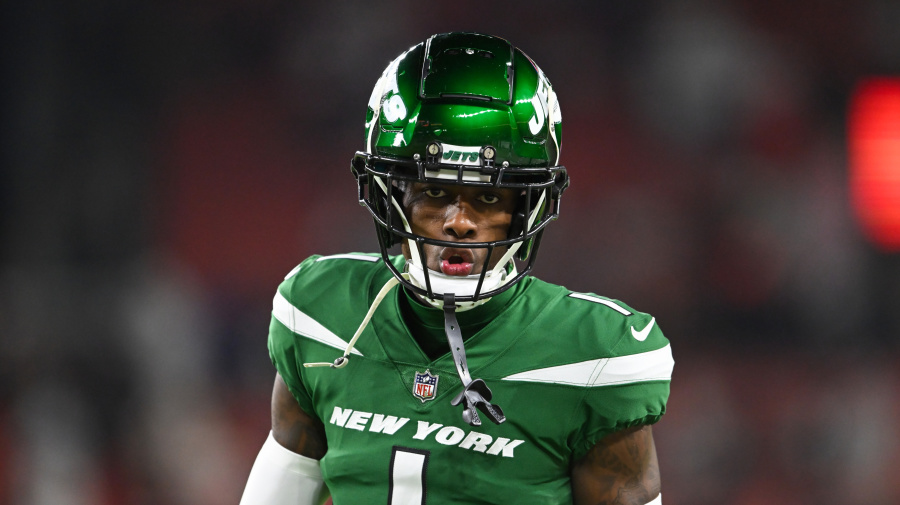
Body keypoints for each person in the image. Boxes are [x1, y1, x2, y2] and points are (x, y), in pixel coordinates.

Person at [240, 32, 673, 505]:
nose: (459, 222)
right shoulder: (321, 311)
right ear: (392, 195)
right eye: (434, 193)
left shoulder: (594, 353)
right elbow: (283, 484)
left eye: (488, 197)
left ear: (528, 207)